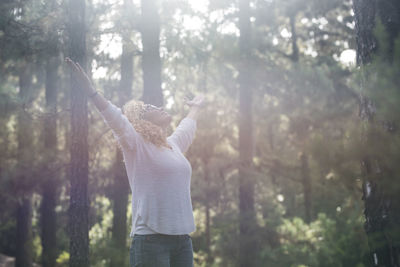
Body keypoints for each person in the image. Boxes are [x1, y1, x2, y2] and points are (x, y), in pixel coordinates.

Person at [65, 57, 205, 267]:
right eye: (150, 107)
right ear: (142, 119)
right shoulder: (136, 144)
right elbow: (116, 120)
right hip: (151, 240)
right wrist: (92, 93)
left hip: (182, 240)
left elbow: (188, 125)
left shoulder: (173, 145)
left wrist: (195, 107)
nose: (159, 106)